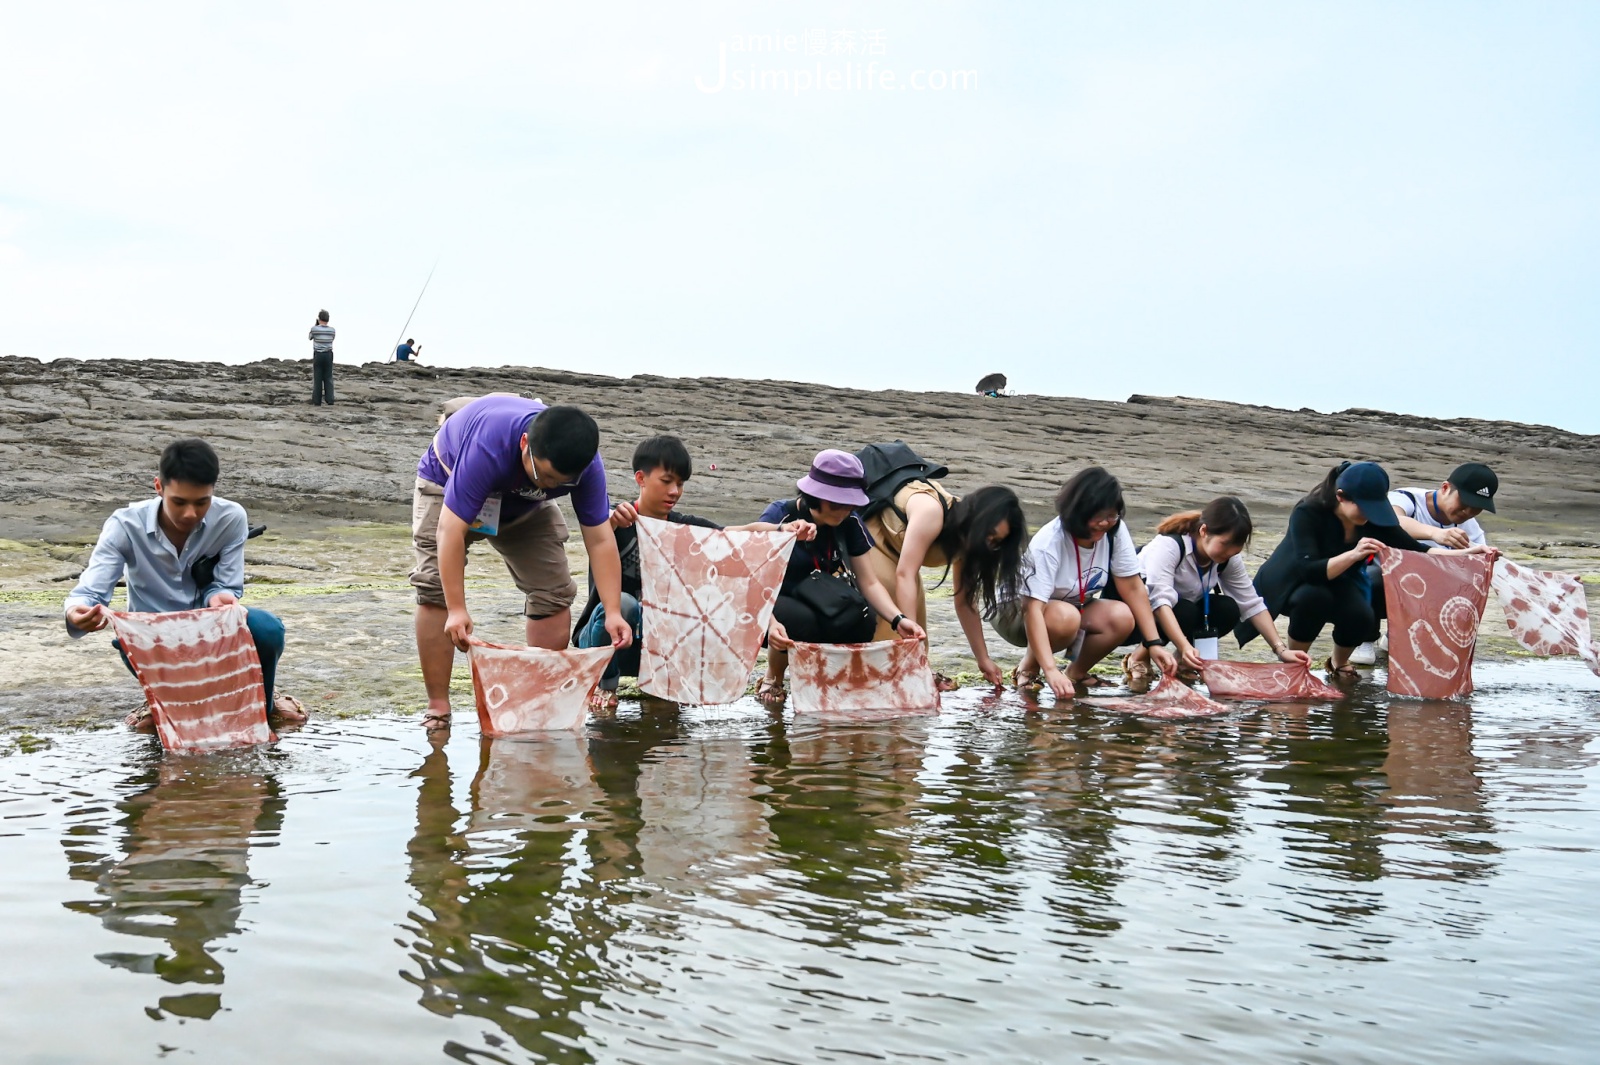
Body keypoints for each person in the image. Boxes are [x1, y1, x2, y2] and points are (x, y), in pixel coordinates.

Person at [411, 395, 631, 733]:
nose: (550, 485)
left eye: (560, 482)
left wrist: (613, 610)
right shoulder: (490, 445)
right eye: (544, 475)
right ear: (525, 444)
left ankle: (533, 706)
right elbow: (449, 531)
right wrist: (457, 608)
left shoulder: (585, 466)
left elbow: (600, 539)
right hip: (447, 480)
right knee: (433, 588)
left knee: (555, 592)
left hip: (524, 506)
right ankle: (438, 707)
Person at [63, 438, 307, 731]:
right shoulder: (125, 525)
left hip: (213, 633)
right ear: (158, 487)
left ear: (213, 491)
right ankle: (161, 702)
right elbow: (90, 592)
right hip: (156, 642)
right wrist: (77, 613)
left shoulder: (231, 518)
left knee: (267, 629)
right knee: (140, 668)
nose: (190, 513)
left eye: (202, 502)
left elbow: (225, 586)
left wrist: (220, 597)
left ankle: (263, 706)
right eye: (179, 502)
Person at [573, 434, 816, 708]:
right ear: (640, 478)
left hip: (657, 646)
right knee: (625, 605)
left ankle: (667, 690)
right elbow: (596, 533)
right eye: (666, 482)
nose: (674, 491)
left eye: (680, 484)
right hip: (604, 640)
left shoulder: (684, 530)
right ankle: (605, 688)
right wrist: (611, 523)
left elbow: (738, 534)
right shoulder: (616, 521)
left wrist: (783, 530)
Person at [1238, 461, 1497, 680]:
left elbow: (1418, 550)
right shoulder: (1309, 512)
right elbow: (1309, 571)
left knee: (1361, 614)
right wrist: (1354, 554)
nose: (1369, 515)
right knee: (1314, 599)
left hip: (1341, 579)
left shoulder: (1373, 516)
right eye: (1364, 508)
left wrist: (1466, 553)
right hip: (1296, 581)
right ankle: (1295, 667)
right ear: (1341, 497)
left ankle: (1338, 665)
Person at [754, 450, 927, 701]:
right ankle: (774, 676)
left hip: (823, 598)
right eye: (836, 504)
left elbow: (869, 582)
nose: (844, 511)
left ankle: (824, 677)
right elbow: (754, 580)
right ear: (814, 496)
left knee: (863, 616)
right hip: (775, 603)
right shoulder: (780, 515)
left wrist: (899, 620)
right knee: (801, 621)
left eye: (850, 504)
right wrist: (770, 624)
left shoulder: (850, 522)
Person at [991, 467, 1176, 700]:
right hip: (1014, 612)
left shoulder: (1115, 531)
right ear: (1076, 512)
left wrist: (1153, 643)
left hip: (1071, 606)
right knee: (1066, 617)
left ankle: (1075, 673)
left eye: (1111, 516)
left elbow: (1133, 587)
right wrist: (1050, 669)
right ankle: (1028, 669)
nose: (1104, 523)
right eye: (1097, 517)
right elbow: (1032, 609)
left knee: (1121, 616)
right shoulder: (1051, 541)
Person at [855, 444, 1027, 686]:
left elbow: (965, 601)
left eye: (997, 542)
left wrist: (983, 659)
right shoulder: (931, 512)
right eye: (989, 535)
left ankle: (909, 674)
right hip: (873, 535)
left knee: (917, 634)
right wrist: (909, 646)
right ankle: (881, 676)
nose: (989, 544)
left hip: (900, 554)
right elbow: (905, 574)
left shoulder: (972, 543)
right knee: (893, 611)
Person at [1122, 497, 1311, 678]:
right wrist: (1184, 644)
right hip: (1140, 612)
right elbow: (1160, 601)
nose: (1230, 552)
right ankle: (1140, 656)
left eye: (1236, 547)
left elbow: (1251, 603)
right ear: (1204, 531)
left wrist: (1281, 650)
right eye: (1225, 544)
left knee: (1227, 609)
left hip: (1183, 608)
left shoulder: (1227, 559)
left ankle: (1185, 662)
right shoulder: (1169, 546)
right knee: (1184, 610)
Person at [1349, 462, 1500, 665]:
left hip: (1423, 591)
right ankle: (1364, 639)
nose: (1467, 512)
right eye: (1464, 503)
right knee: (1373, 577)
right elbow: (1392, 520)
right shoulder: (1407, 498)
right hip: (1381, 582)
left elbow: (1476, 567)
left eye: (1477, 508)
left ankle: (1396, 636)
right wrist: (1436, 534)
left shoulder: (1470, 527)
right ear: (1445, 488)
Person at [309, 310, 336, 405]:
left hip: (318, 354)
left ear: (319, 318)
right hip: (328, 354)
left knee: (318, 377)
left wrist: (316, 325)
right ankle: (330, 399)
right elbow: (332, 339)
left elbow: (310, 337)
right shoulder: (332, 330)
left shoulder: (314, 329)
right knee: (328, 377)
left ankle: (317, 400)